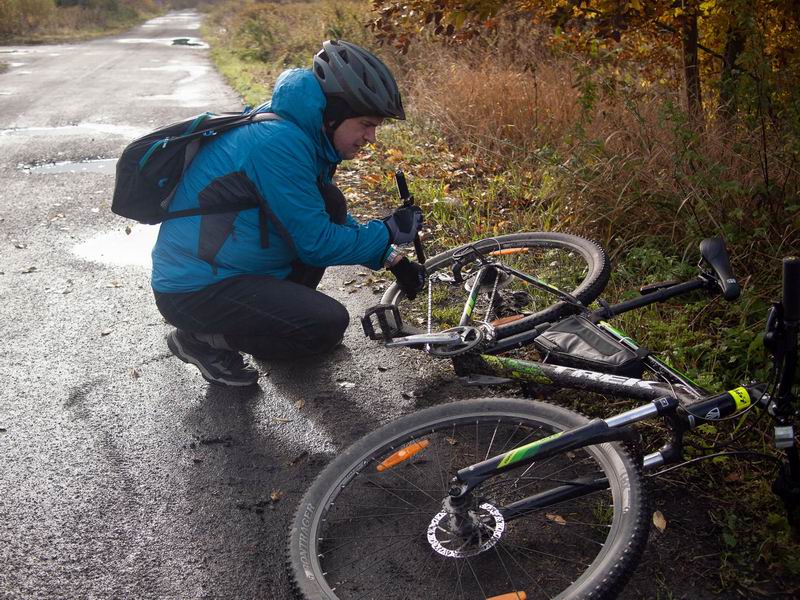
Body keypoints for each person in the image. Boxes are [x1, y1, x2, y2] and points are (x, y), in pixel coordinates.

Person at [150, 40, 425, 387]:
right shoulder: (278, 143)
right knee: (327, 325)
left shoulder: (301, 131)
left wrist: (392, 258)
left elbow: (317, 217)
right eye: (366, 124)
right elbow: (316, 244)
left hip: (233, 271)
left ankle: (274, 327)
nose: (371, 137)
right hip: (194, 291)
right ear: (334, 114)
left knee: (330, 202)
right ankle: (201, 340)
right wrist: (387, 231)